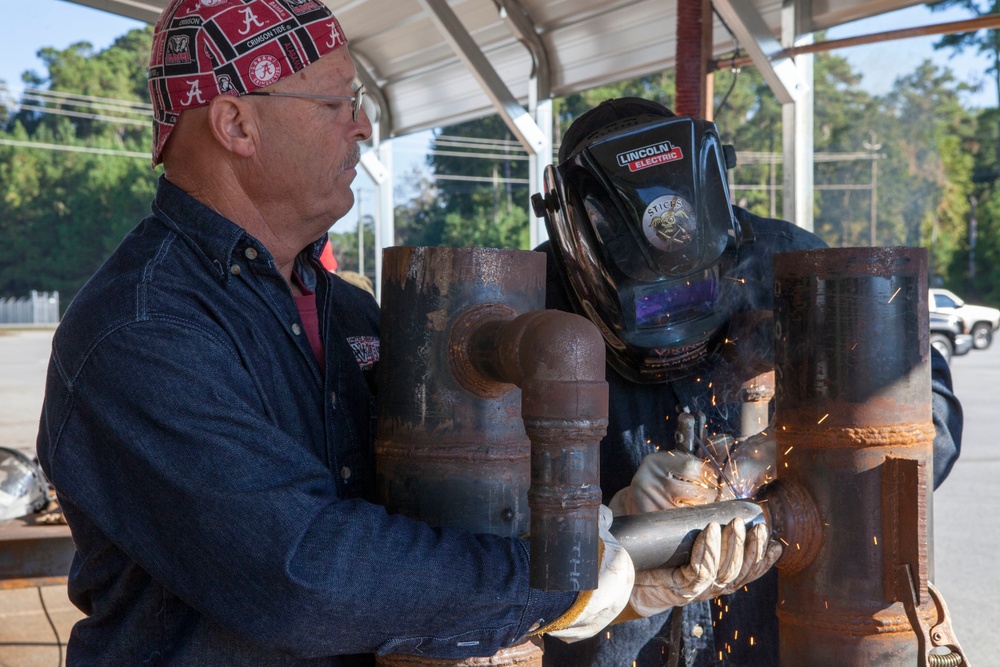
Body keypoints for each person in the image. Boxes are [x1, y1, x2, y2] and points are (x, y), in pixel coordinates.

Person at [34, 4, 780, 665]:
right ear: (236, 124)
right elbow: (299, 573)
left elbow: (428, 525)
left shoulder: (350, 315)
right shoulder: (143, 332)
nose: (363, 125)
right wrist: (556, 584)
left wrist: (613, 536)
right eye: (337, 104)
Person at [533, 97, 964, 667]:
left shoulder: (792, 262)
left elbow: (927, 411)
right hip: (611, 644)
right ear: (578, 236)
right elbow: (477, 530)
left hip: (779, 638)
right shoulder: (533, 303)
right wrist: (612, 520)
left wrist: (795, 460)